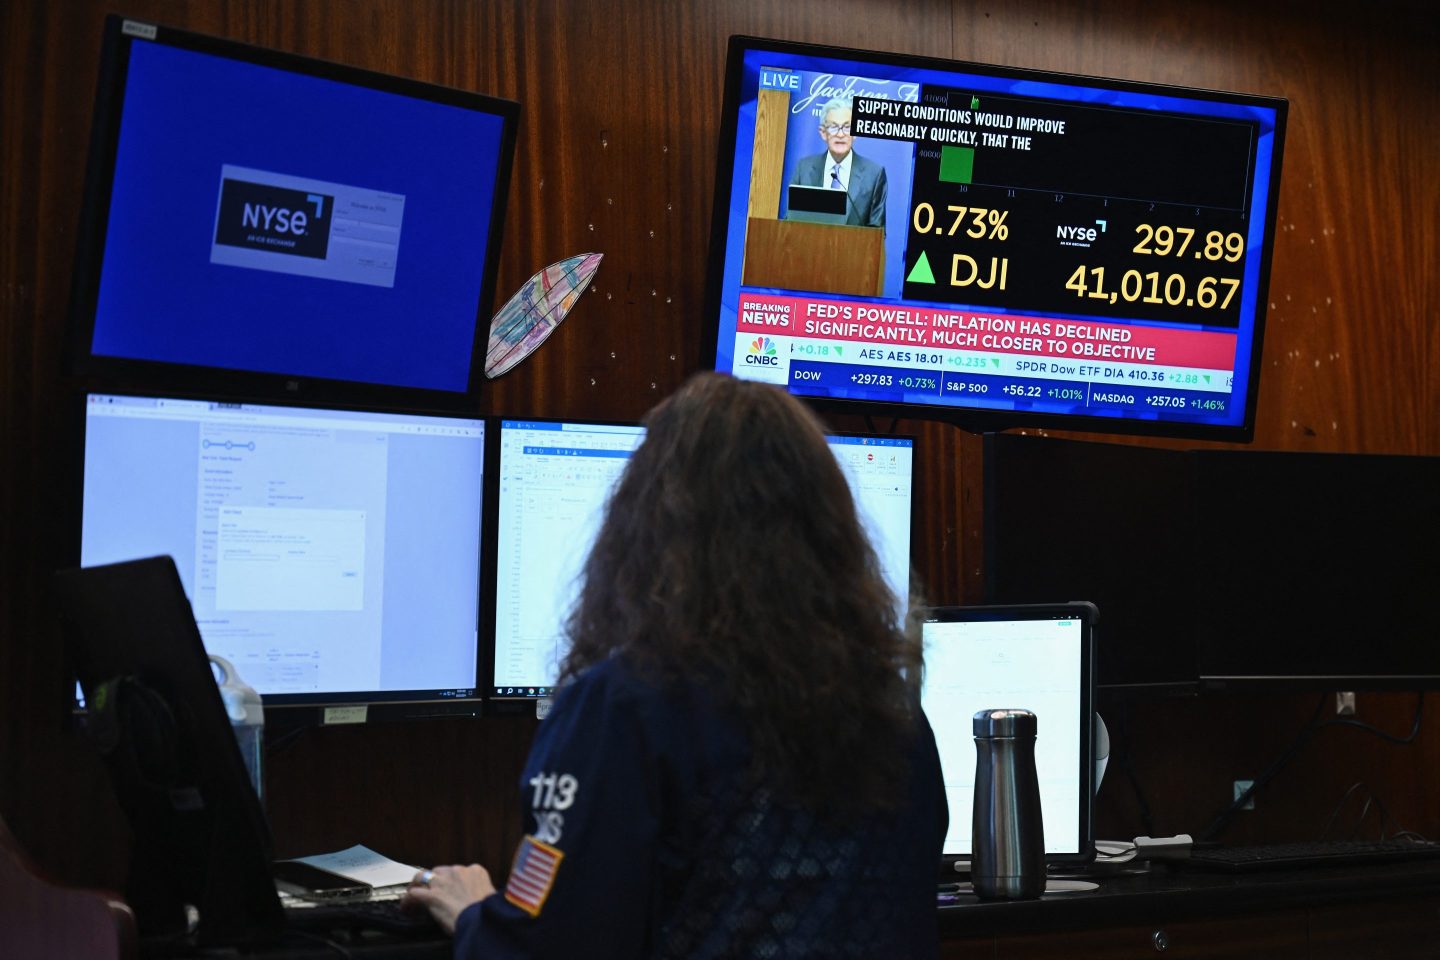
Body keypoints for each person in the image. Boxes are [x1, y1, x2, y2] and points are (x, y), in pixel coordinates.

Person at [404, 373, 946, 958]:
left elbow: (550, 945)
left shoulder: (625, 707)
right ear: (832, 533)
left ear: (644, 531)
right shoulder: (895, 719)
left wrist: (477, 916)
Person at [789, 97, 889, 229]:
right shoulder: (804, 168)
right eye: (833, 127)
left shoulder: (874, 174)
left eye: (847, 127)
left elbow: (877, 233)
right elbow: (791, 222)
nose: (840, 134)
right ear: (823, 133)